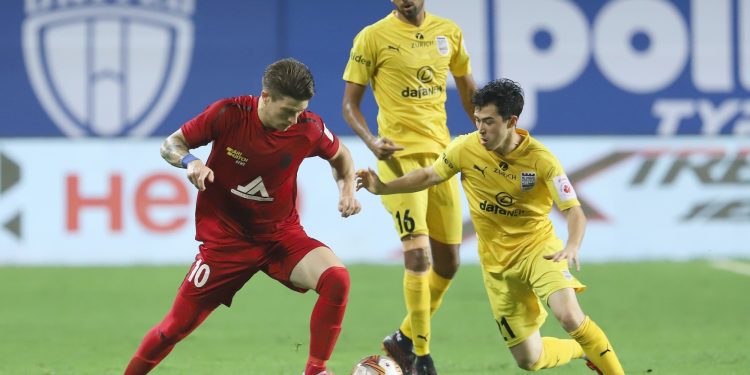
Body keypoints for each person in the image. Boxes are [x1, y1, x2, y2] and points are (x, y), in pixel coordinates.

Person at [356, 79, 625, 374]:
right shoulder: (465, 148)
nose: (481, 129)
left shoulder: (541, 159)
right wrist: (384, 187)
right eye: (477, 120)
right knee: (530, 359)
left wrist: (572, 244)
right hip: (497, 267)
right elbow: (429, 175)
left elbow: (574, 210)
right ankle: (583, 349)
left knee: (570, 316)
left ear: (511, 121)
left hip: (539, 251)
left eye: (489, 122)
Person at [123, 58, 361, 375]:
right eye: (287, 110)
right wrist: (191, 162)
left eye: (299, 111)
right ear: (266, 97)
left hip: (280, 237)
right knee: (174, 328)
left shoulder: (309, 127)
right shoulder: (228, 114)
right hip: (226, 242)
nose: (293, 119)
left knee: (337, 278)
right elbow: (171, 144)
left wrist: (347, 190)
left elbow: (341, 156)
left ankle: (316, 370)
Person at [342, 1, 477, 373]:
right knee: (418, 255)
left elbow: (467, 87)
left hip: (441, 161)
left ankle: (401, 338)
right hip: (398, 160)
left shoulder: (448, 32)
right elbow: (349, 104)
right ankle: (420, 354)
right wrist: (371, 140)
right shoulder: (372, 37)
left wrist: (483, 139)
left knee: (448, 264)